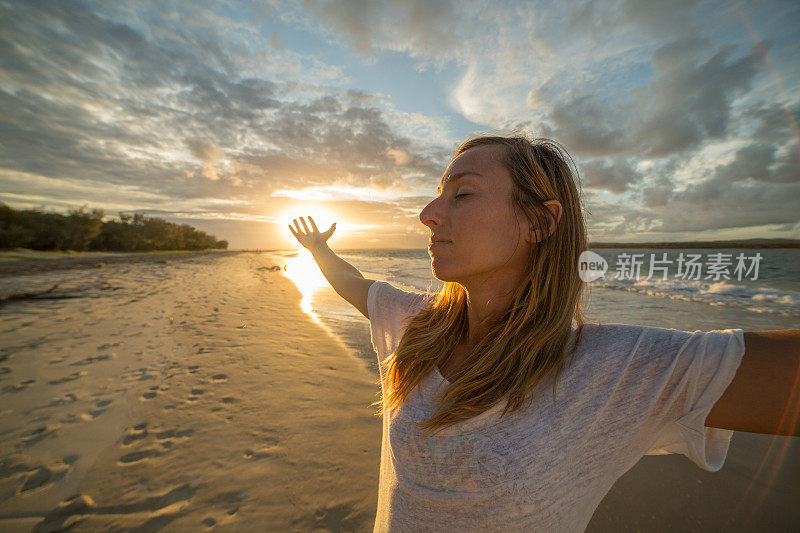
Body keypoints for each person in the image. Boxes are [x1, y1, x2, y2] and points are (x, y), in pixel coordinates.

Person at [289, 133, 800, 532]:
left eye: (462, 194)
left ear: (539, 223)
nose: (427, 214)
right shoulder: (418, 327)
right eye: (437, 195)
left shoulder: (612, 368)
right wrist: (318, 251)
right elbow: (354, 284)